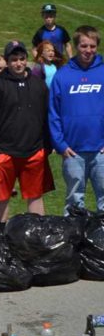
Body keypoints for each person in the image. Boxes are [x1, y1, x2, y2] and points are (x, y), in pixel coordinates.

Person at [0, 41, 54, 232]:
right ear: (7, 61)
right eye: (14, 60)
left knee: (35, 195)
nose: (18, 63)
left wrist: (46, 147)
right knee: (1, 197)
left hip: (33, 151)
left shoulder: (39, 85)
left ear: (27, 59)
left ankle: (38, 235)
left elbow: (46, 117)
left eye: (22, 59)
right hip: (5, 153)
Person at [49, 25, 104, 213]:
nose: (88, 50)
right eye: (83, 46)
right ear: (75, 46)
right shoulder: (63, 75)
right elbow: (53, 113)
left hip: (100, 151)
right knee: (74, 199)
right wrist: (61, 145)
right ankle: (72, 241)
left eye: (92, 46)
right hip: (72, 151)